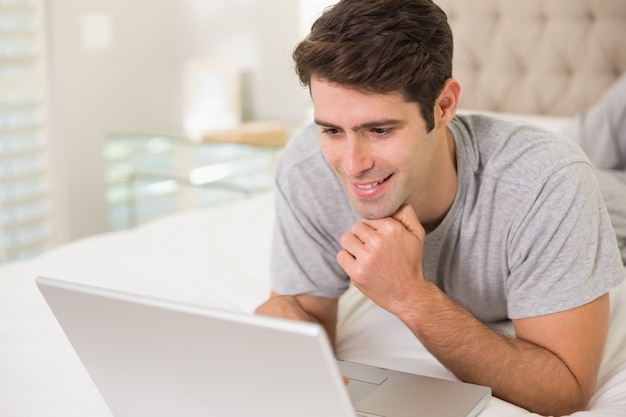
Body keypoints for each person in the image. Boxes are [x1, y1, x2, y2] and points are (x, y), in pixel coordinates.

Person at [255, 0, 625, 415]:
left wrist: (411, 297)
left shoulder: (549, 182)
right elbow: (303, 313)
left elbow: (564, 390)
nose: (353, 165)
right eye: (332, 130)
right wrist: (284, 325)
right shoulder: (306, 168)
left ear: (444, 105)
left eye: (379, 130)